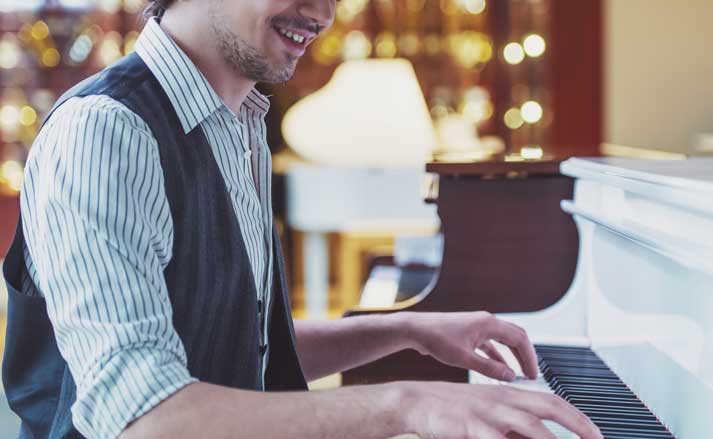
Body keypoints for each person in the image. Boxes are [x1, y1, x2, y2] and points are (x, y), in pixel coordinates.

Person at [1, 0, 602, 438]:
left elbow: (243, 354)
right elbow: (146, 419)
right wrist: (406, 404)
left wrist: (409, 332)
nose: (322, 12)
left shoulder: (242, 127)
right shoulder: (107, 131)